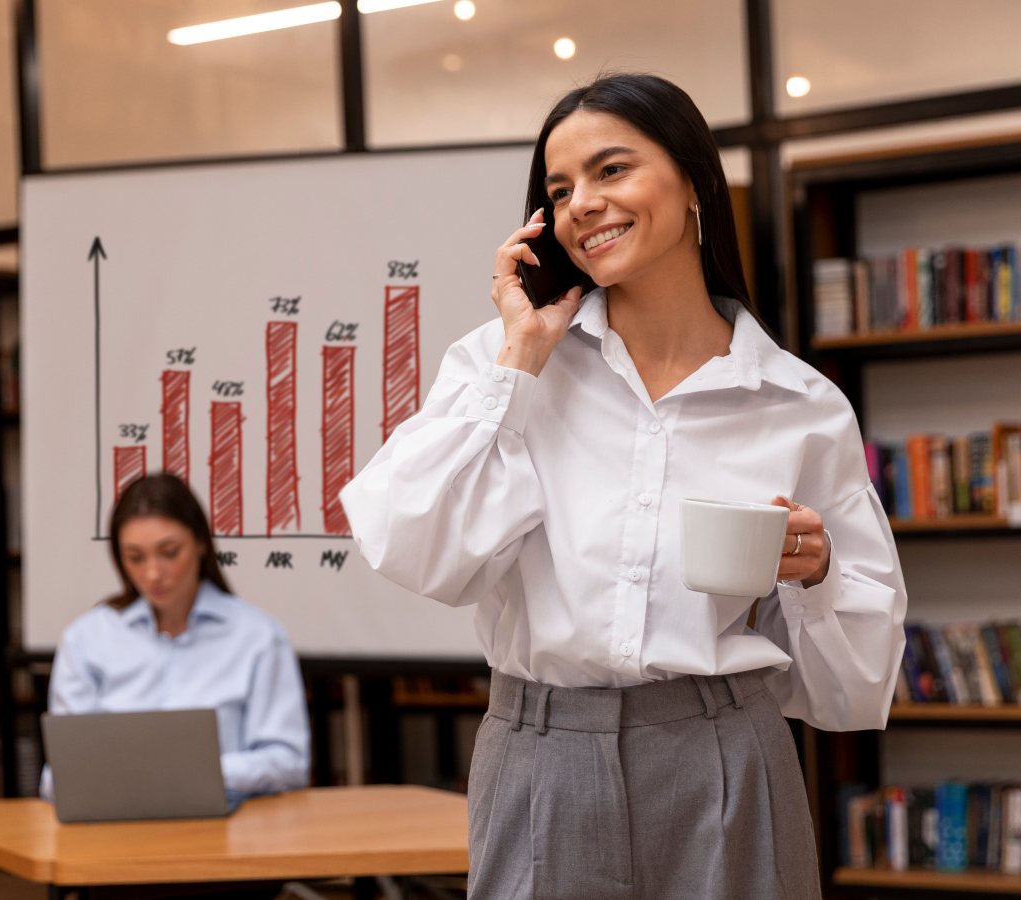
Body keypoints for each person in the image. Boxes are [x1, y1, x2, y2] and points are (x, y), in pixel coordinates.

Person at [340, 73, 906, 899]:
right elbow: (411, 546)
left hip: (728, 758)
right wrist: (520, 364)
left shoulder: (798, 406)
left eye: (612, 171)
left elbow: (854, 686)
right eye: (560, 189)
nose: (582, 205)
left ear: (694, 180)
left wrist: (815, 577)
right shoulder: (499, 364)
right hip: (538, 755)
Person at [40, 473, 310, 804]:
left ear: (200, 543)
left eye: (169, 552)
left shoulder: (258, 636)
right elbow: (58, 776)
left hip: (227, 832)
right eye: (135, 557)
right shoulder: (86, 639)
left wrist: (195, 773)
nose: (153, 573)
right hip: (113, 832)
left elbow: (289, 761)